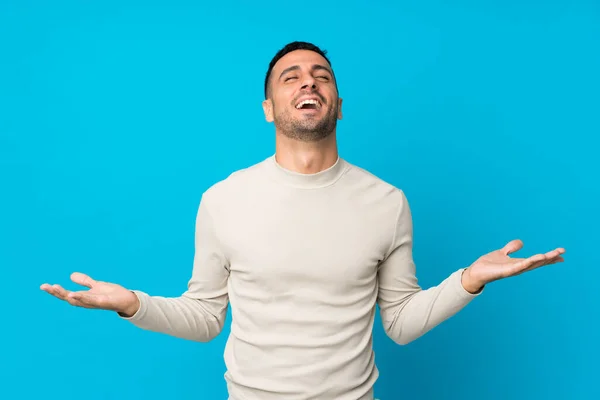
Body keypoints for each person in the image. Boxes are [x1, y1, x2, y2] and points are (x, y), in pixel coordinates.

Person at [40, 41, 565, 400]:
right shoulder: (223, 199)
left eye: (321, 76)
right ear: (269, 107)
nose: (307, 82)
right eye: (290, 77)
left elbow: (400, 323)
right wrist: (132, 304)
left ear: (338, 104)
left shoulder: (387, 201)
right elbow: (204, 318)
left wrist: (468, 280)